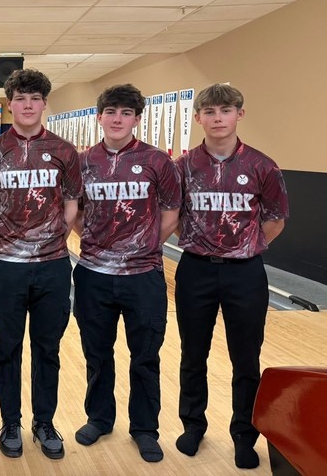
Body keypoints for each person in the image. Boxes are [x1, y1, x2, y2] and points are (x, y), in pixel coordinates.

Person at [173, 83, 288, 470]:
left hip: (245, 273)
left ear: (240, 114)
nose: (217, 118)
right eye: (209, 111)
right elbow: (175, 216)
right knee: (193, 354)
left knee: (246, 358)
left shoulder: (262, 165)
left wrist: (245, 246)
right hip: (196, 270)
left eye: (225, 110)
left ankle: (244, 435)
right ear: (198, 117)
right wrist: (200, 241)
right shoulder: (183, 166)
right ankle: (193, 425)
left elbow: (275, 219)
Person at [0, 69, 82, 460]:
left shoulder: (64, 151)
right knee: (7, 347)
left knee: (47, 348)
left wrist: (57, 235)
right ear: (11, 104)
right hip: (8, 265)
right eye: (20, 98)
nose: (28, 105)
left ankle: (44, 422)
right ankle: (10, 422)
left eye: (35, 98)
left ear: (44, 104)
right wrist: (4, 238)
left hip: (53, 264)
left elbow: (72, 201)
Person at [72, 84, 181, 463]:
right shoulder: (82, 162)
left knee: (145, 356)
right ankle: (99, 419)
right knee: (97, 352)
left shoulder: (157, 161)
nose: (117, 119)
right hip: (93, 274)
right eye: (111, 112)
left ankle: (145, 429)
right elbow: (76, 212)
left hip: (144, 275)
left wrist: (144, 245)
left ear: (136, 119)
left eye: (126, 113)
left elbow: (171, 213)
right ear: (99, 117)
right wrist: (97, 242)